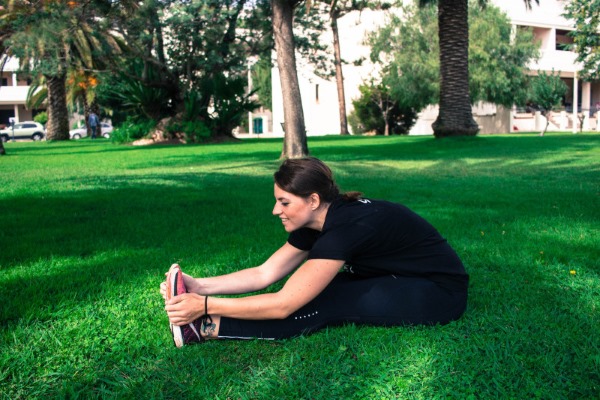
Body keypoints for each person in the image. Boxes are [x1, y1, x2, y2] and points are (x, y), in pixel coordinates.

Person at [161, 157, 468, 347]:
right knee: (315, 291)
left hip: (437, 292)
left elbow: (283, 305)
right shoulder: (320, 218)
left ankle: (203, 327)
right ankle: (202, 316)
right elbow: (264, 273)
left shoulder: (345, 228)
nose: (274, 210)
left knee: (326, 302)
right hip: (397, 275)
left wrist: (203, 306)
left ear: (312, 199)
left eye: (284, 202)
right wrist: (199, 285)